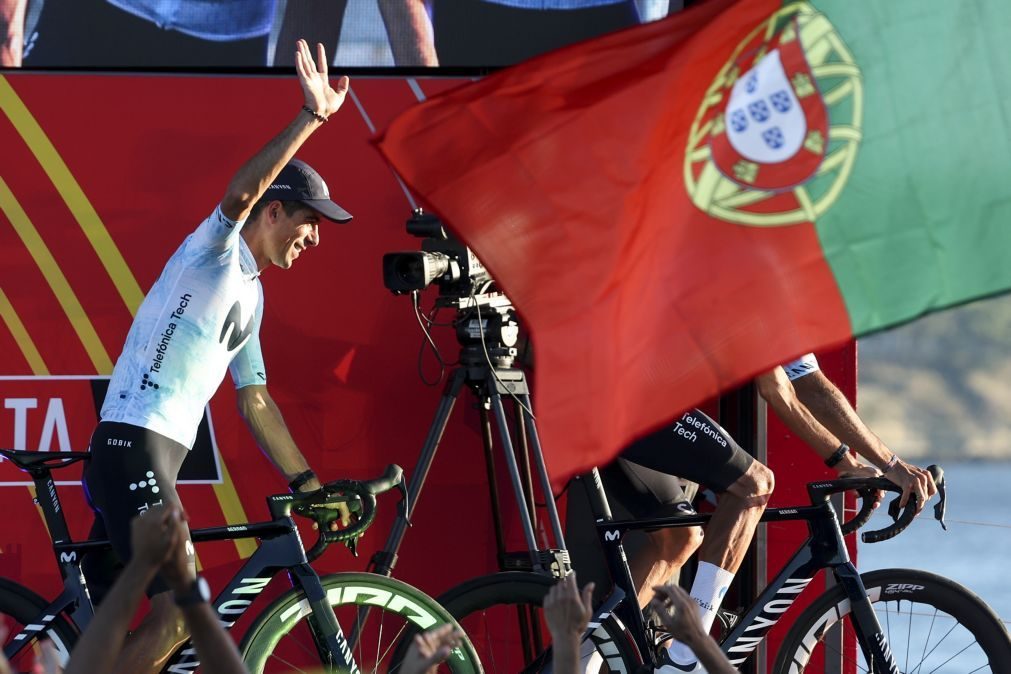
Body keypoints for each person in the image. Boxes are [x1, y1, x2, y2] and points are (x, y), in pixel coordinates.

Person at [78, 38, 352, 674]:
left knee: (116, 629)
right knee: (181, 612)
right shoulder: (214, 253)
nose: (315, 238)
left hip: (142, 458)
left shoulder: (250, 297)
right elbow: (238, 195)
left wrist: (308, 486)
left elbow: (254, 401)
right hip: (134, 451)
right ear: (274, 209)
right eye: (311, 222)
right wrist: (311, 118)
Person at [607, 352, 937, 672]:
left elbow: (808, 382)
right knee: (755, 484)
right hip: (624, 397)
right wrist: (853, 463)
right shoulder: (762, 299)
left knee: (679, 537)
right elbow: (776, 388)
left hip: (622, 399)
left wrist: (870, 463)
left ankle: (585, 660)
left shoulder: (787, 309)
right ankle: (687, 657)